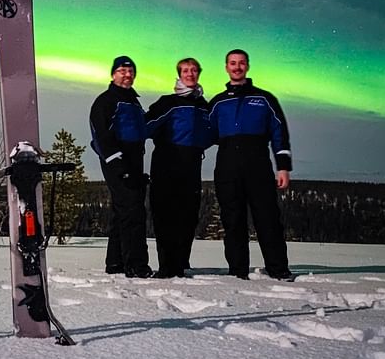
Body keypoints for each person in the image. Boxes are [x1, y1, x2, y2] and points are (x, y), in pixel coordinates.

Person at [208, 49, 294, 281]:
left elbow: (279, 132)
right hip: (227, 167)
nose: (237, 67)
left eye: (241, 63)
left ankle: (278, 269)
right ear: (226, 67)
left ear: (247, 66)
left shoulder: (265, 99)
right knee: (232, 220)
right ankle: (237, 271)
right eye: (232, 63)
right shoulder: (217, 102)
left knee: (267, 218)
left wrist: (283, 166)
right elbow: (204, 133)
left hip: (258, 166)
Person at [145, 57, 211, 278]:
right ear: (179, 74)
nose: (190, 74)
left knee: (188, 215)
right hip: (166, 163)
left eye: (194, 70)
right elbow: (146, 126)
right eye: (185, 71)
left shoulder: (204, 106)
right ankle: (167, 266)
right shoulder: (168, 102)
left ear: (198, 73)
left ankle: (181, 262)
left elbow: (213, 132)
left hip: (192, 164)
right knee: (165, 214)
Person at [89, 56, 153, 278]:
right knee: (133, 211)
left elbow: (143, 129)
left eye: (131, 71)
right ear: (113, 74)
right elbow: (100, 135)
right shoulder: (106, 101)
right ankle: (136, 266)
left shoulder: (133, 102)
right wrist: (118, 164)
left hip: (134, 159)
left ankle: (115, 262)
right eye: (122, 71)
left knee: (122, 212)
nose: (127, 75)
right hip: (118, 161)